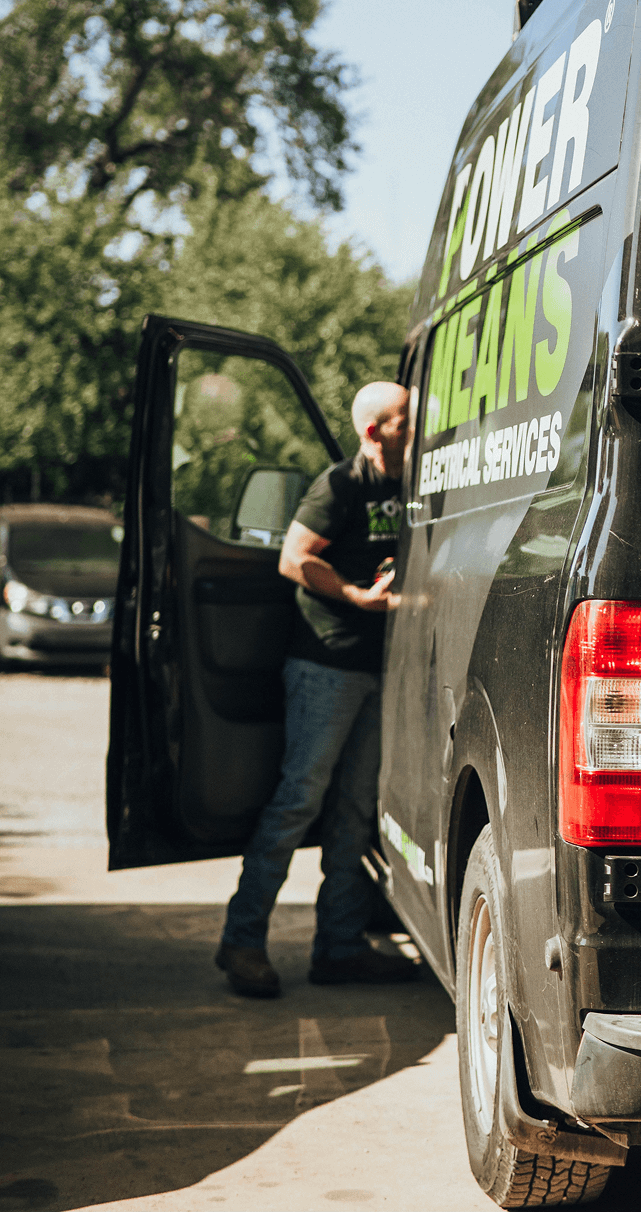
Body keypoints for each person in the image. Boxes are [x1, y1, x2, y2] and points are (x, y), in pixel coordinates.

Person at [215, 380, 416, 997]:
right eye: (407, 417)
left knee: (355, 811)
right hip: (325, 666)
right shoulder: (341, 484)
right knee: (299, 800)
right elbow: (293, 557)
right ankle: (242, 942)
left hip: (381, 671)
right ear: (373, 430)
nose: (419, 424)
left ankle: (339, 948)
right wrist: (357, 595)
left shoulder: (417, 486)